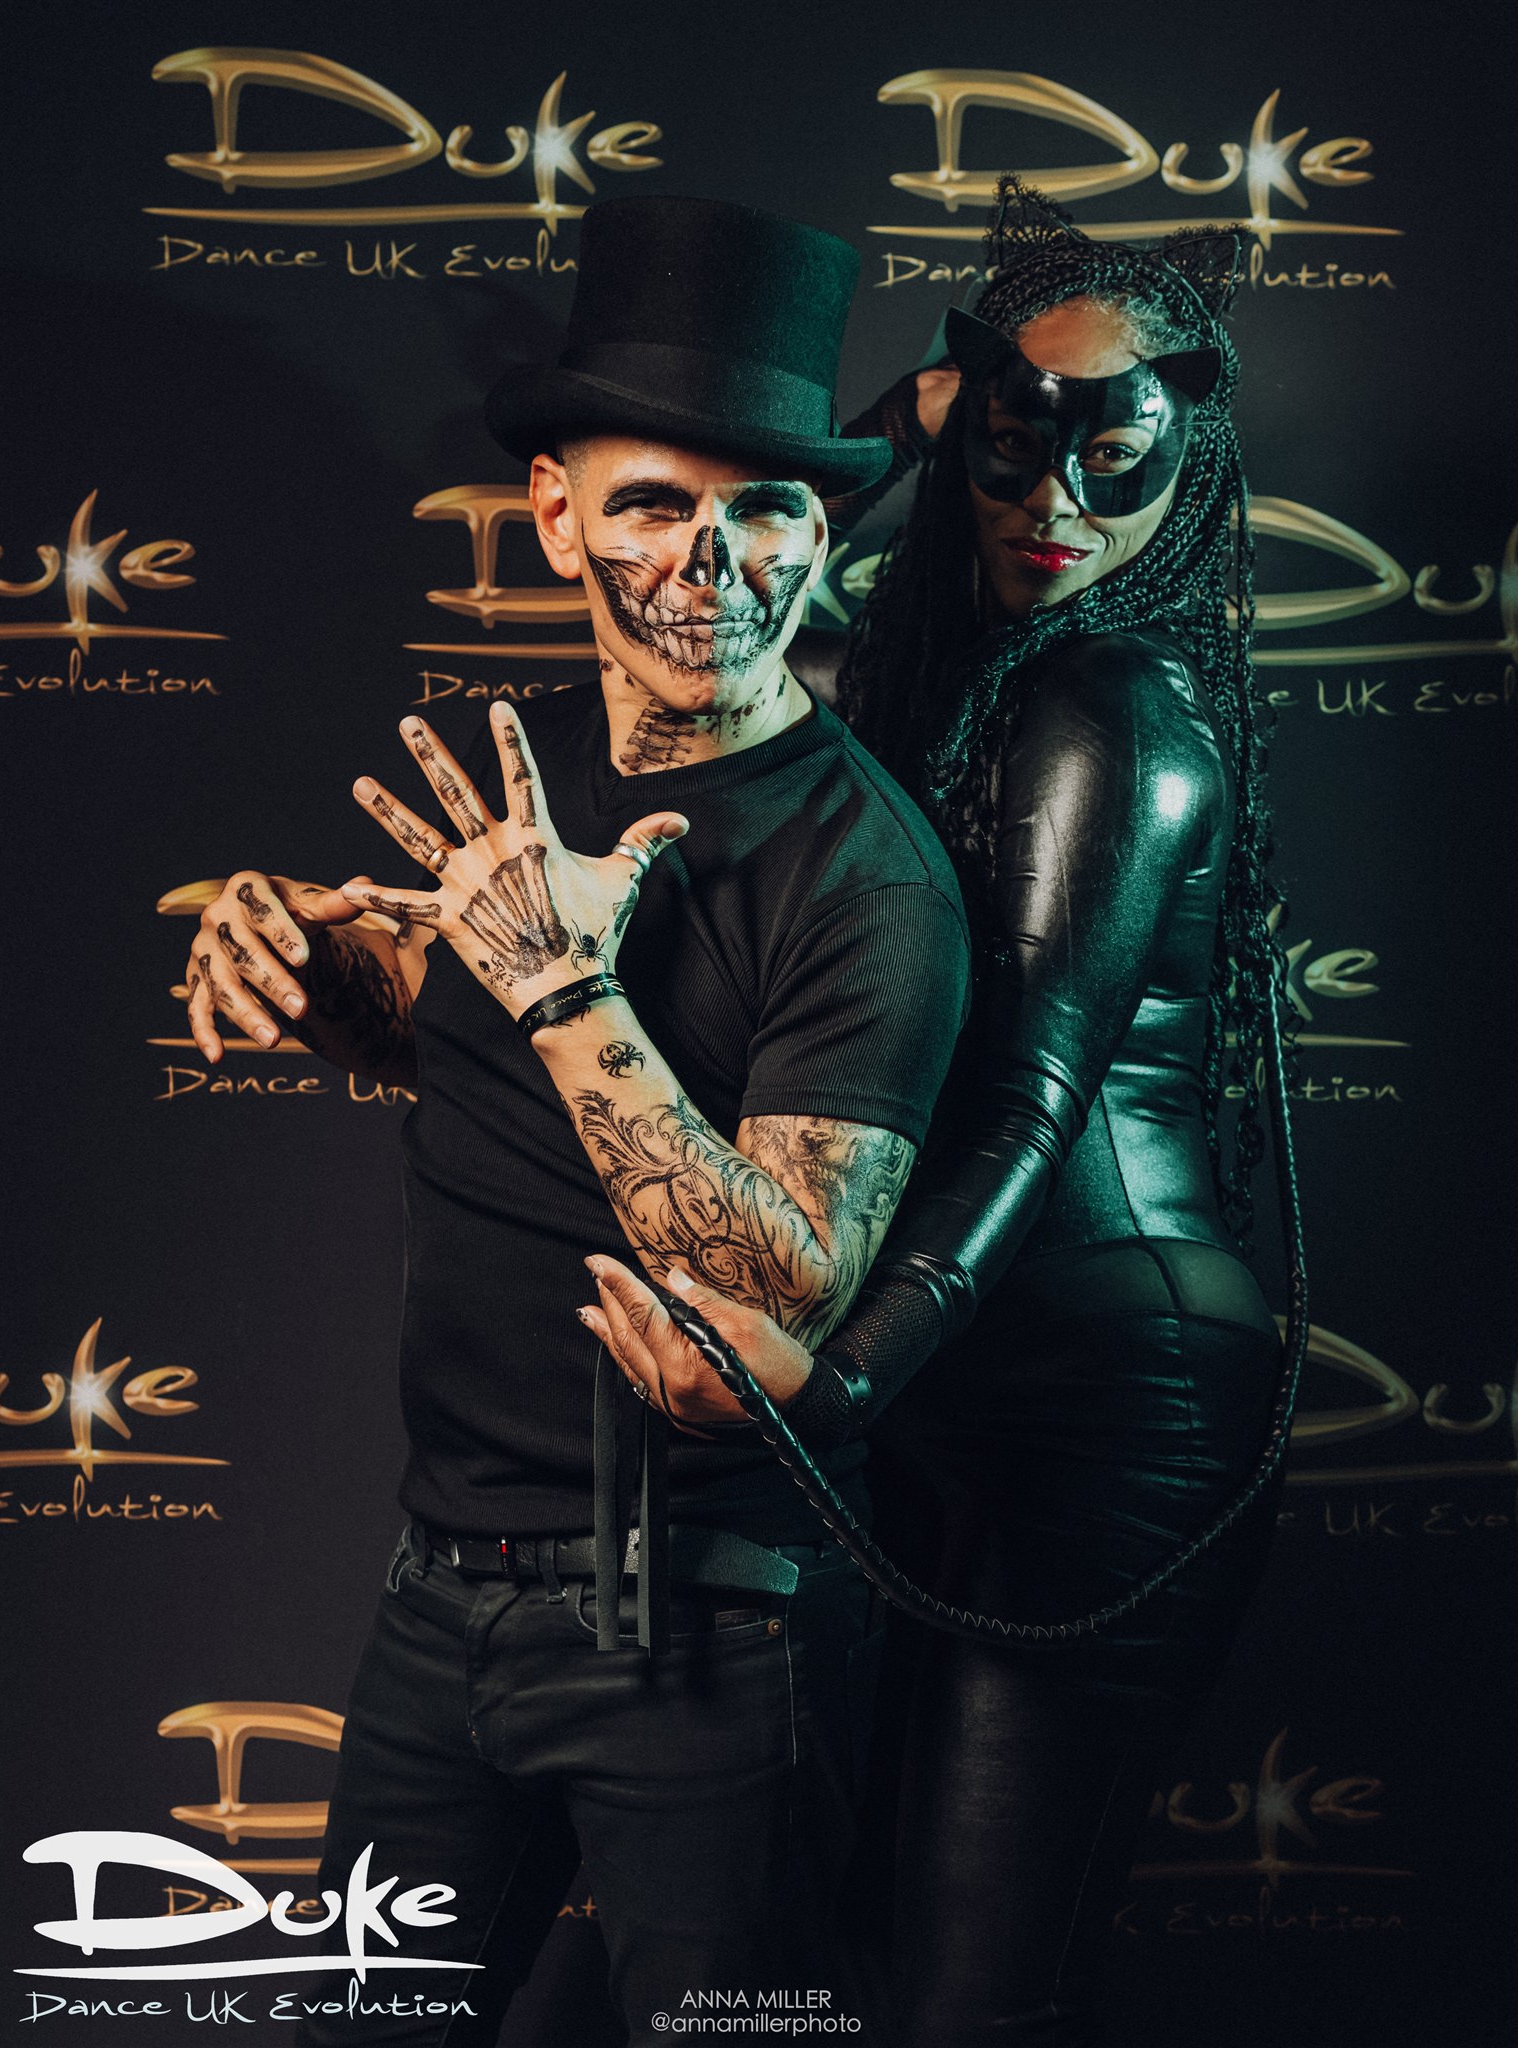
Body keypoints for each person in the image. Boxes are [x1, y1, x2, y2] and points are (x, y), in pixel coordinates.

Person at [180, 195, 970, 2046]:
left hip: (705, 1628)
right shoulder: (515, 770)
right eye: (654, 505)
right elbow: (438, 1035)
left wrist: (565, 987)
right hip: (439, 1597)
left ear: (822, 533)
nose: (716, 562)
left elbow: (785, 1288)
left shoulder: (868, 875)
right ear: (555, 517)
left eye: (767, 512)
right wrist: (302, 965)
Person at [580, 180, 1293, 2048]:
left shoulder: (1111, 704)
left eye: (1111, 461)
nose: (1053, 506)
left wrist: (835, 1384)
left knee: (970, 1996)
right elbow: (752, 577)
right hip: (960, 1374)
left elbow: (1034, 1101)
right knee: (855, 1960)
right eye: (1008, 446)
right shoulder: (942, 677)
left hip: (1098, 1406)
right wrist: (889, 433)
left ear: (1193, 467)